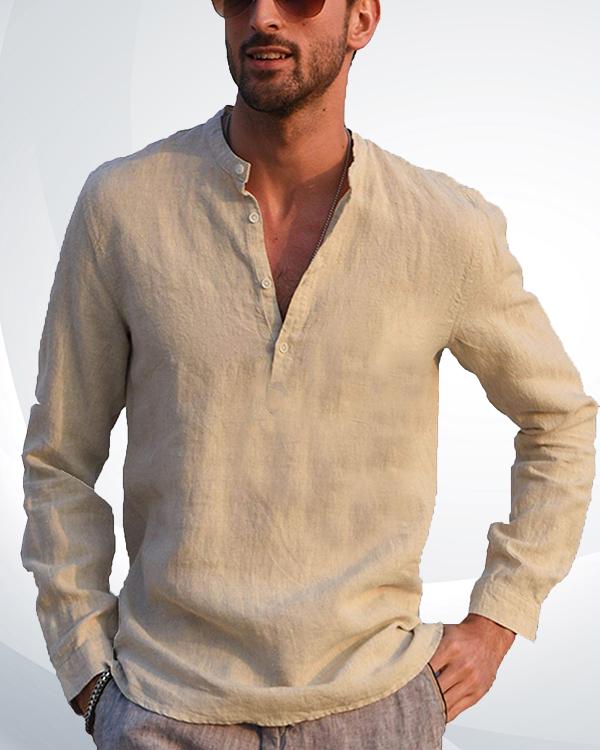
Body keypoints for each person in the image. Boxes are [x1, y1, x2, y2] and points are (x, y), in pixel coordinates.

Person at [20, 0, 597, 747]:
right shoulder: (124, 208)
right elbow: (60, 458)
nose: (264, 15)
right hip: (165, 707)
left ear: (362, 20)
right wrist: (86, 667)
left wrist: (500, 616)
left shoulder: (444, 226)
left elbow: (559, 421)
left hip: (375, 707)